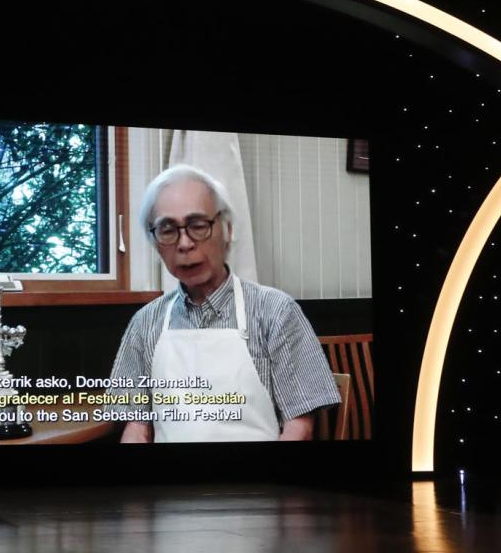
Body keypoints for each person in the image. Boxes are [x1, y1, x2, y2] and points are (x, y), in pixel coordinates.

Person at [106, 165, 340, 443]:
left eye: (198, 226)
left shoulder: (276, 311)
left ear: (227, 229)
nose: (184, 244)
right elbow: (136, 428)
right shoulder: (144, 323)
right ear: (156, 244)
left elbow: (299, 428)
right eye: (167, 230)